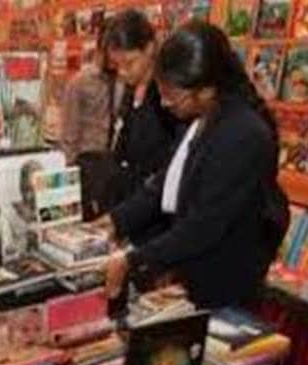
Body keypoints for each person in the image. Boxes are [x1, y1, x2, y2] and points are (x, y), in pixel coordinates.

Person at [96, 21, 289, 310]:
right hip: (194, 274)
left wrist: (132, 260)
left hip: (226, 283)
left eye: (172, 95)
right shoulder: (203, 117)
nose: (164, 103)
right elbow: (166, 183)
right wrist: (116, 220)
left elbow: (204, 225)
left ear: (206, 89)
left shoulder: (243, 134)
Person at [103, 9, 180, 212]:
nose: (122, 72)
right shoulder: (129, 90)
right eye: (117, 65)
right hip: (125, 202)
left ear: (150, 48)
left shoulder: (168, 95)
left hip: (154, 209)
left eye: (129, 63)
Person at [61, 36, 123, 220]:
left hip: (115, 160)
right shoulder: (79, 83)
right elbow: (69, 130)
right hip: (88, 161)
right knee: (90, 217)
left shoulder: (123, 80)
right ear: (101, 50)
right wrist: (69, 174)